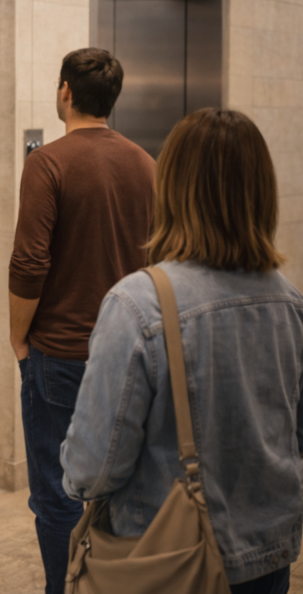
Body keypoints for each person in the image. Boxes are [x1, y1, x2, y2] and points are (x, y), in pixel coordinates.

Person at [60, 109, 303, 594]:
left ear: (171, 189)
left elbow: (92, 469)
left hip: (168, 559)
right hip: (271, 554)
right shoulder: (290, 301)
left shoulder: (137, 305)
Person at [9, 48, 155, 594]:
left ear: (65, 92)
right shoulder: (147, 163)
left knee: (58, 491)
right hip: (135, 354)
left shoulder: (47, 162)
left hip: (62, 355)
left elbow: (29, 263)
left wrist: (18, 338)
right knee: (122, 488)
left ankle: (66, 587)